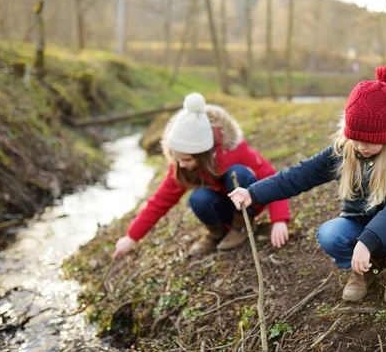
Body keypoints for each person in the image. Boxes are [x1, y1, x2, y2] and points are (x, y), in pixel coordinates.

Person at [229, 66, 386, 304]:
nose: (361, 146)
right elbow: (299, 175)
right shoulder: (343, 151)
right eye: (355, 138)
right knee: (329, 233)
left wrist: (367, 241)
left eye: (369, 141)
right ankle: (364, 272)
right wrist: (253, 193)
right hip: (358, 224)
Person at [112, 93, 290, 259]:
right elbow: (160, 201)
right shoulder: (181, 165)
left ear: (203, 154)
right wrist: (132, 237)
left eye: (187, 159)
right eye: (177, 158)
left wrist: (279, 219)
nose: (181, 164)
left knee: (238, 173)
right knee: (198, 197)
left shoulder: (232, 149)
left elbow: (270, 177)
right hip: (221, 207)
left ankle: (242, 226)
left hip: (246, 203)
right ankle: (217, 233)